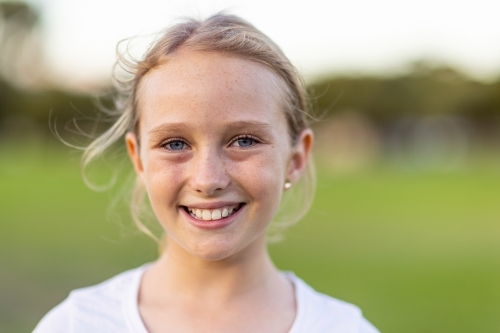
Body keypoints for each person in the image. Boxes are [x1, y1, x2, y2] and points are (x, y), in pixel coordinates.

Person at [33, 13, 379, 333]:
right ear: (139, 160)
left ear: (296, 158)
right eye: (174, 144)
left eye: (244, 140)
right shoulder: (76, 324)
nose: (208, 179)